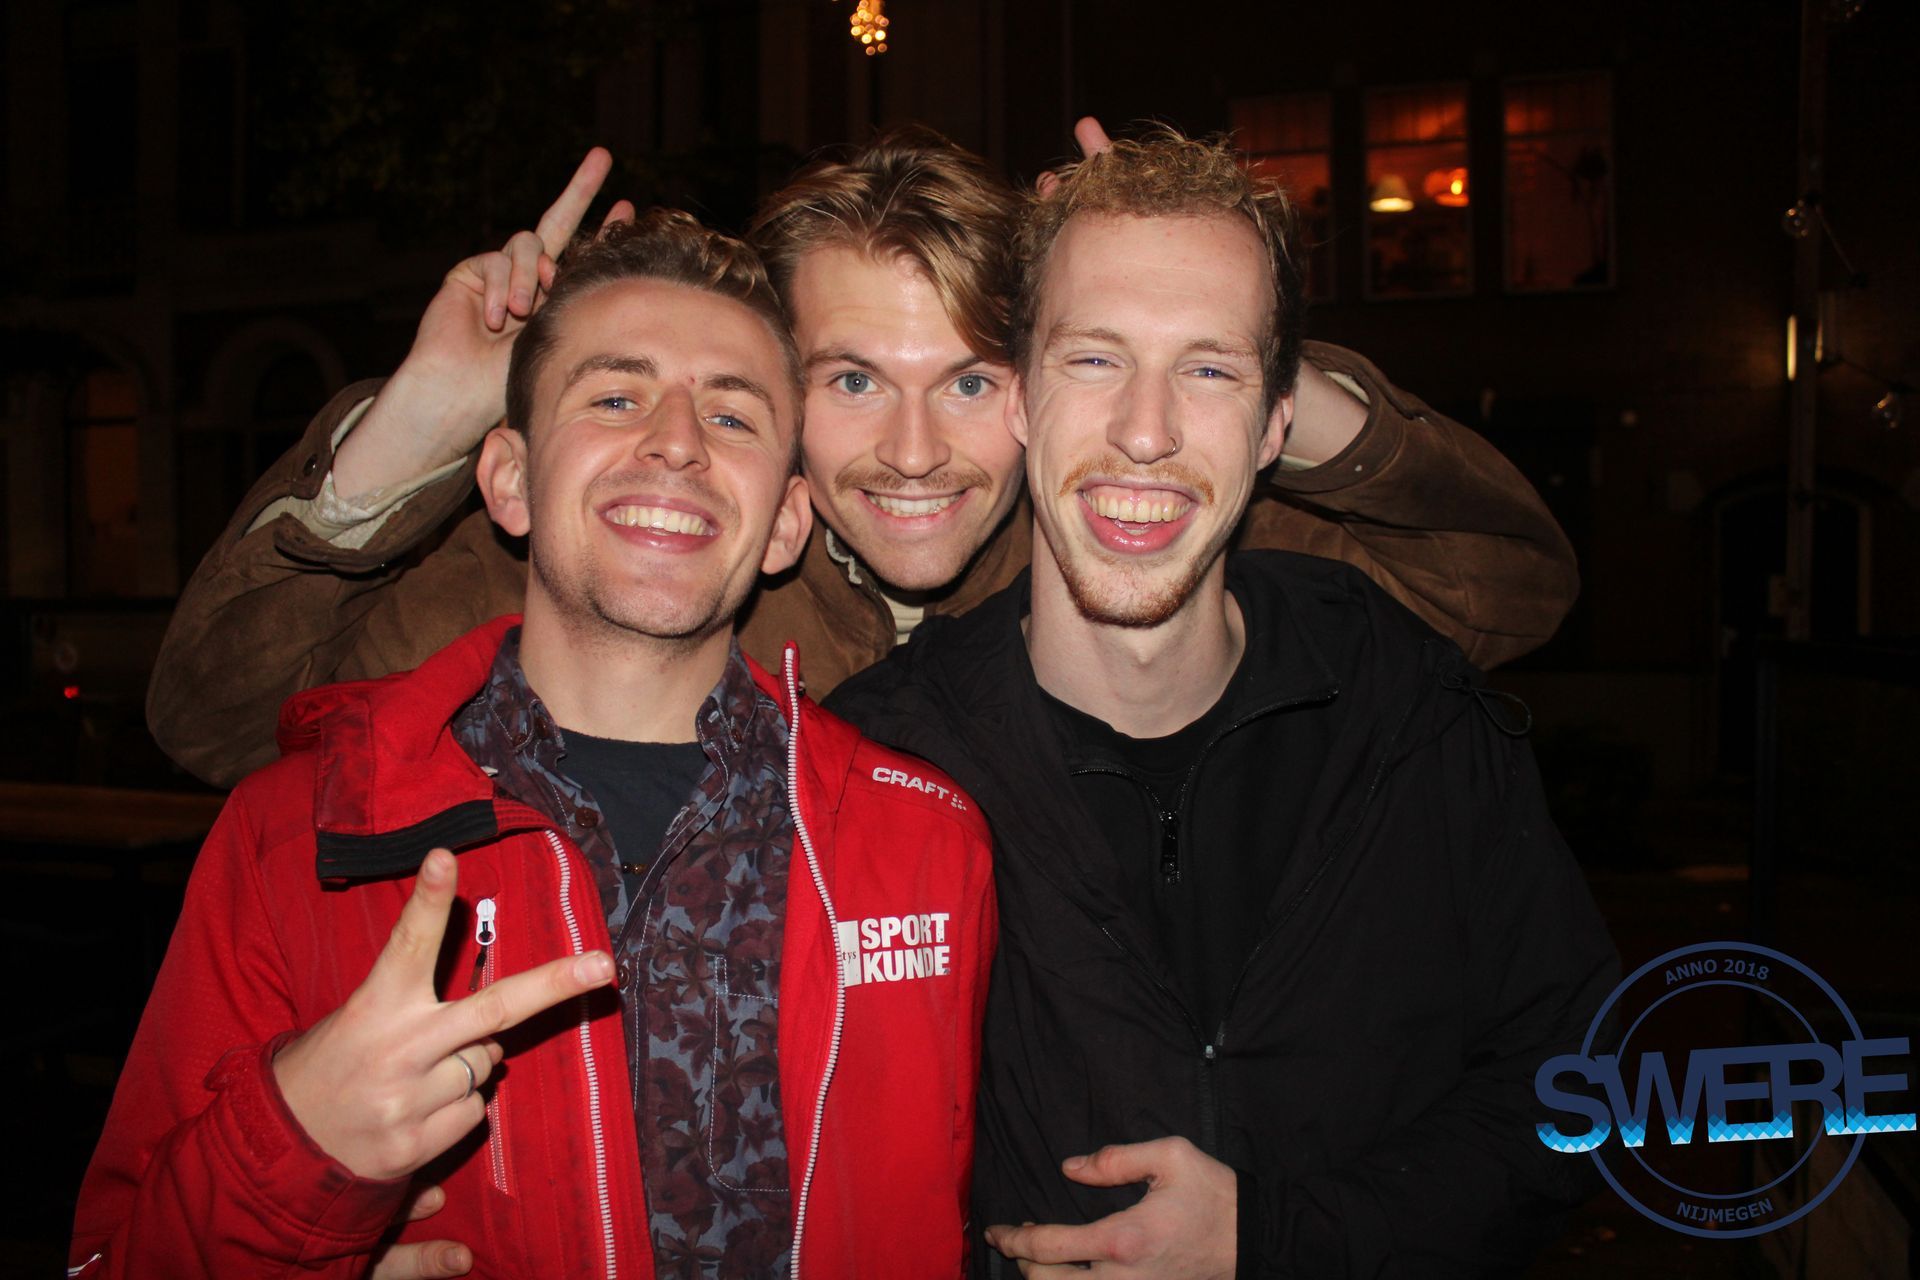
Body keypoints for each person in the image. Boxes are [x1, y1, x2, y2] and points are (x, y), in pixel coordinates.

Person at [72, 211, 995, 1279]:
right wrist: (295, 1159)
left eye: (732, 415)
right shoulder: (297, 841)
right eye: (615, 398)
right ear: (507, 479)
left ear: (788, 522)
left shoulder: (928, 843)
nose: (678, 441)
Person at [146, 128, 1578, 790]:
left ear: (1038, 383)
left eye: (969, 380)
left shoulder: (1119, 551)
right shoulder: (649, 567)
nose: (912, 454)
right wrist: (418, 425)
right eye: (848, 381)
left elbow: (1508, 591)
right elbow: (222, 727)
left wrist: (1205, 321)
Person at [827, 127, 1618, 1277]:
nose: (1145, 431)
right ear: (1021, 401)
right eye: (1094, 360)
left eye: (1209, 370)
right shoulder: (875, 761)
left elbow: (1578, 1086)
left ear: (1278, 423)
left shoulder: (1406, 702)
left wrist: (1279, 1236)